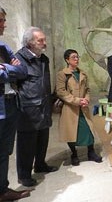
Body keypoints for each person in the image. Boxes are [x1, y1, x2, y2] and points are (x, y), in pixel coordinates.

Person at [15, 27, 58, 187]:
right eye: (40, 40)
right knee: (26, 143)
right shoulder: (19, 59)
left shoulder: (44, 59)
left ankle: (40, 164)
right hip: (28, 109)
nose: (44, 43)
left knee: (42, 139)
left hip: (44, 105)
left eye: (44, 39)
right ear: (29, 43)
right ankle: (24, 175)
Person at [0, 6, 31, 201]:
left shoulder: (3, 47)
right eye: (1, 20)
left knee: (4, 152)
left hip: (10, 105)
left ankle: (2, 190)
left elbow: (23, 71)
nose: (4, 24)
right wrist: (8, 69)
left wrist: (4, 68)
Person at [56, 49, 102, 166]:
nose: (76, 59)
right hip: (70, 108)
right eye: (73, 57)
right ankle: (74, 154)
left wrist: (86, 99)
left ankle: (91, 152)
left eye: (77, 57)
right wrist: (77, 101)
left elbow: (87, 89)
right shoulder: (62, 74)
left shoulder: (83, 73)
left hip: (83, 107)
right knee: (71, 132)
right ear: (67, 60)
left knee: (88, 129)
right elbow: (61, 91)